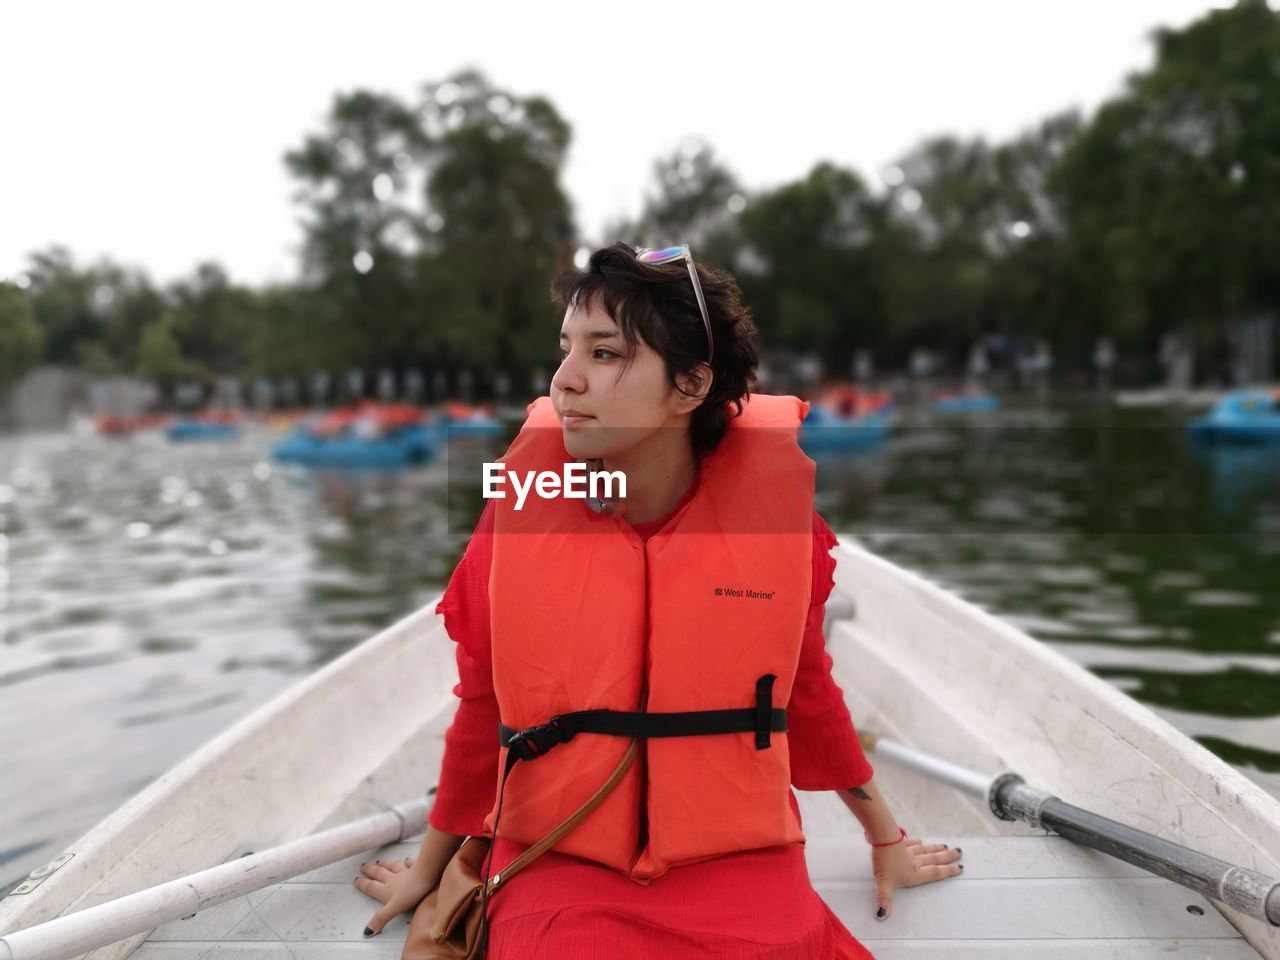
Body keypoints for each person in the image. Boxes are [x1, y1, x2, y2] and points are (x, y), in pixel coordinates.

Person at [354, 243, 963, 957]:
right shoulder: (522, 506)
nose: (564, 382)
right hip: (562, 859)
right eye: (565, 349)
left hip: (736, 859)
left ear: (690, 386)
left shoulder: (770, 519)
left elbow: (802, 690)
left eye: (605, 354)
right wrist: (430, 872)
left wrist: (884, 837)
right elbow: (485, 702)